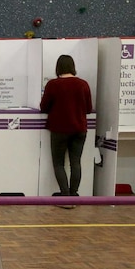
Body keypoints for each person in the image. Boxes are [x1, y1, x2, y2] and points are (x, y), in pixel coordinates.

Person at [40, 54, 93, 208]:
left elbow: (44, 107)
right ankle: (74, 195)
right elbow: (88, 109)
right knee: (76, 162)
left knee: (59, 164)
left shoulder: (53, 84)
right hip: (80, 129)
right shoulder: (83, 84)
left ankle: (65, 197)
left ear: (58, 68)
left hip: (59, 129)